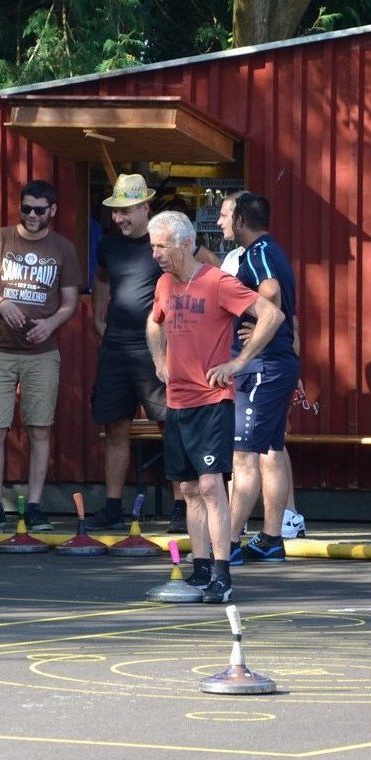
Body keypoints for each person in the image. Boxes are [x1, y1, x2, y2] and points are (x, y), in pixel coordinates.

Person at [146, 211, 284, 603]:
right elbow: (154, 322)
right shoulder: (164, 284)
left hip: (212, 400)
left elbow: (271, 314)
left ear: (186, 244)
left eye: (162, 246)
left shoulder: (218, 282)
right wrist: (159, 360)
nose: (156, 253)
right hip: (178, 402)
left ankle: (222, 574)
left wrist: (239, 363)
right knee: (188, 487)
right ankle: (201, 569)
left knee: (210, 485)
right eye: (152, 246)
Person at [0, 179, 82, 533]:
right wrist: (1, 303)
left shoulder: (63, 248)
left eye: (39, 210)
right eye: (26, 208)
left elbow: (70, 302)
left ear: (53, 211)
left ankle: (34, 506)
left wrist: (50, 324)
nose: (31, 215)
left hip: (42, 352)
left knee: (40, 428)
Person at [217, 192, 307, 544]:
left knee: (243, 455)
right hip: (275, 365)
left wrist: (257, 335)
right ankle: (271, 539)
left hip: (261, 367)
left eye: (227, 216)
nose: (222, 221)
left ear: (241, 221)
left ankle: (230, 539)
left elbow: (270, 294)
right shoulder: (271, 249)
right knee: (270, 450)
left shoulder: (257, 254)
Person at [87, 174, 173, 531]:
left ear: (144, 207)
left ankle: (183, 507)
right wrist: (98, 318)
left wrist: (175, 330)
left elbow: (204, 269)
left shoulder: (164, 243)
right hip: (116, 346)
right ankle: (112, 507)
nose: (119, 219)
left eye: (125, 212)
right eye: (115, 212)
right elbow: (103, 280)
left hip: (154, 348)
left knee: (170, 425)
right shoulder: (108, 245)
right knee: (115, 426)